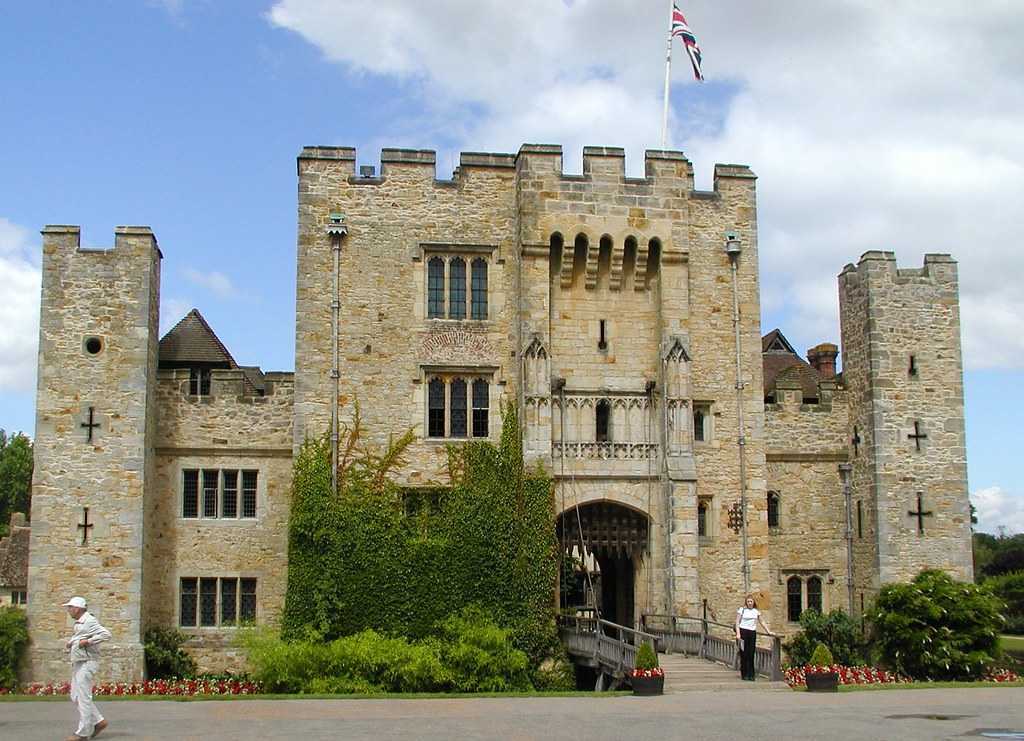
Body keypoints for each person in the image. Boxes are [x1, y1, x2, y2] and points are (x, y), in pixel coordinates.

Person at [62, 596, 111, 741]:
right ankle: (99, 721)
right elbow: (79, 636)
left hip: (87, 662)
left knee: (83, 696)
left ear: (77, 608)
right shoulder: (80, 622)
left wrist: (88, 642)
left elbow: (106, 634)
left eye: (70, 607)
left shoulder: (89, 620)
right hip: (79, 661)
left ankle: (83, 733)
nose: (69, 610)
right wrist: (72, 642)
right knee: (75, 695)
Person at [734, 595, 773, 681]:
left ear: (753, 602)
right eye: (748, 601)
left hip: (752, 633)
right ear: (746, 602)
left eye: (751, 601)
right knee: (743, 653)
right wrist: (738, 634)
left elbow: (762, 621)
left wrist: (768, 631)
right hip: (743, 632)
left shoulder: (756, 611)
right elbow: (737, 622)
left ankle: (751, 674)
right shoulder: (742, 610)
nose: (750, 603)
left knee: (751, 653)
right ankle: (744, 674)